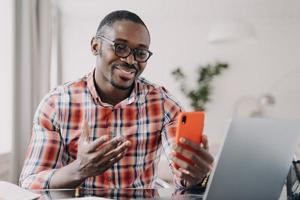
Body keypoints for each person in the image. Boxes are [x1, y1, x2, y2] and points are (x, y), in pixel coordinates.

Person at [19, 10, 214, 190]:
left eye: (140, 52)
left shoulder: (163, 104)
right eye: (120, 47)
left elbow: (183, 176)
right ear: (95, 46)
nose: (130, 60)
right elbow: (30, 181)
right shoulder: (56, 104)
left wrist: (195, 175)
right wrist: (79, 169)